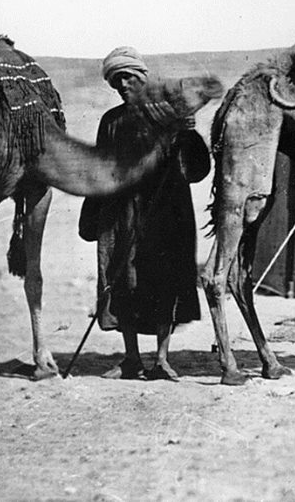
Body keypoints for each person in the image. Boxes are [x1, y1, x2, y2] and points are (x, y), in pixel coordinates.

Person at [78, 46, 209, 381]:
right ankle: (132, 358)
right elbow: (99, 168)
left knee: (163, 281)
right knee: (122, 281)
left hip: (165, 213)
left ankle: (162, 359)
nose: (122, 85)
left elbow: (195, 170)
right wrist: (92, 216)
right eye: (116, 81)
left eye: (127, 78)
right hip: (120, 215)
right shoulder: (111, 121)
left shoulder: (170, 117)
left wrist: (188, 134)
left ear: (141, 77)